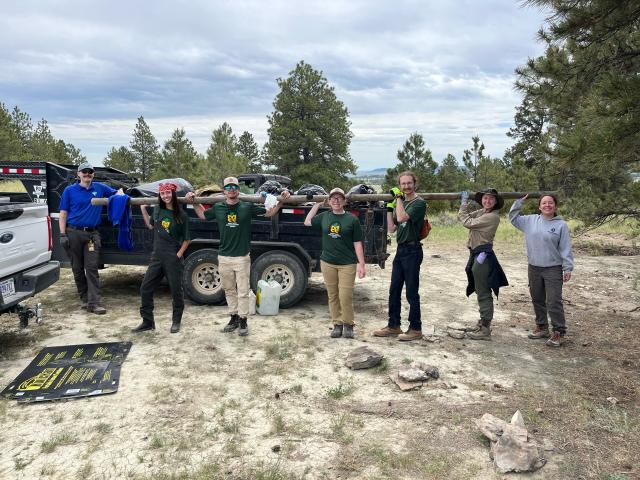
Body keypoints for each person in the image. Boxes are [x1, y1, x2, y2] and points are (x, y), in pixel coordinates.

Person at [186, 177, 290, 336]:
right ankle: (233, 317)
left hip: (241, 257)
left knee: (242, 291)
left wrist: (281, 201)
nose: (232, 189)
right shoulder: (219, 207)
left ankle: (243, 320)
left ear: (238, 189)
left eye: (234, 186)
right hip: (224, 257)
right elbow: (203, 215)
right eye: (228, 187)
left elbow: (269, 212)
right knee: (229, 289)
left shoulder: (247, 207)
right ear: (224, 190)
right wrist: (194, 202)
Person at [509, 194, 574, 347]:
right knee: (537, 298)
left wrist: (568, 267)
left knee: (553, 301)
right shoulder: (530, 221)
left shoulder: (561, 225)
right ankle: (542, 327)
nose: (547, 205)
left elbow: (565, 248)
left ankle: (558, 331)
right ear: (539, 206)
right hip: (534, 267)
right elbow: (513, 218)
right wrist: (519, 202)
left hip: (553, 268)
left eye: (550, 203)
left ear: (555, 206)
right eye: (544, 203)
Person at [59, 162, 123, 314]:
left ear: (93, 174)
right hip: (73, 233)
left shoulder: (100, 188)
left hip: (92, 235)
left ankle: (94, 303)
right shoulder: (69, 190)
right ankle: (84, 298)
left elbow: (116, 193)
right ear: (78, 174)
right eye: (84, 172)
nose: (87, 174)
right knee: (77, 268)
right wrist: (62, 234)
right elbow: (63, 214)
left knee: (92, 268)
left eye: (90, 172)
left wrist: (120, 194)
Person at [304, 188, 366, 339]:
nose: (336, 200)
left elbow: (357, 242)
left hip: (347, 264)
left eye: (339, 198)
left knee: (345, 296)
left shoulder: (352, 219)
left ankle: (349, 324)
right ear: (329, 201)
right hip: (328, 262)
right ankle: (337, 324)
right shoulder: (325, 216)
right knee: (333, 295)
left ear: (344, 201)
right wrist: (317, 205)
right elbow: (307, 222)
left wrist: (362, 264)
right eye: (333, 198)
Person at [373, 171, 427, 342]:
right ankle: (393, 326)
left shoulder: (419, 203)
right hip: (401, 250)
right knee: (394, 290)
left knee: (412, 292)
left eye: (409, 183)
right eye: (402, 184)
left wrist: (397, 198)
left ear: (414, 184)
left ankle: (416, 328)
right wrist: (389, 208)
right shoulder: (402, 202)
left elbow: (403, 218)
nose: (406, 187)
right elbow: (391, 228)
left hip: (413, 251)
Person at [132, 183, 191, 333]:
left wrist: (178, 255)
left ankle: (176, 321)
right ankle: (147, 321)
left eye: (168, 193)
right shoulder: (157, 209)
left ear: (173, 194)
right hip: (157, 256)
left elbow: (187, 239)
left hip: (173, 256)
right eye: (163, 194)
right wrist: (143, 209)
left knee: (176, 291)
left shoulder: (181, 215)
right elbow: (151, 226)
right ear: (160, 195)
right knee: (145, 288)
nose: (165, 196)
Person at [458, 188, 509, 340]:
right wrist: (467, 204)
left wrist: (463, 202)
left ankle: (485, 329)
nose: (487, 201)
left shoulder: (492, 217)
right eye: (485, 198)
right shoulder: (483, 213)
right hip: (477, 255)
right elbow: (466, 216)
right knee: (481, 290)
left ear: (496, 202)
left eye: (491, 199)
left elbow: (467, 221)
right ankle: (482, 323)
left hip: (483, 257)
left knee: (483, 292)